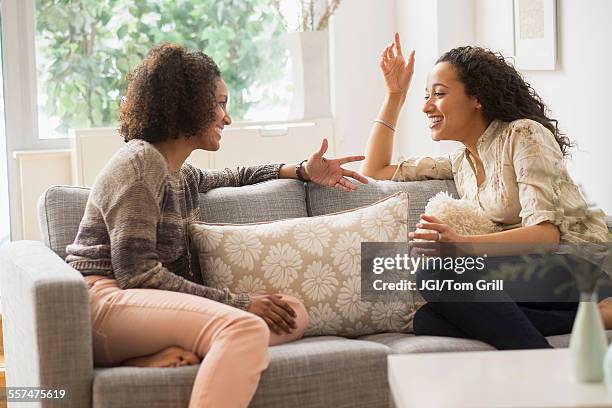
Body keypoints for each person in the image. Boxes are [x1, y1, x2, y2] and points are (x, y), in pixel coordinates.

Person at [66, 43, 368, 408]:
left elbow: (236, 175)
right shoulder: (141, 163)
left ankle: (153, 354)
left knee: (292, 313)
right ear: (188, 104)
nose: (227, 118)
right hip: (105, 303)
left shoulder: (178, 172)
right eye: (220, 103)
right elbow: (137, 274)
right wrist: (240, 304)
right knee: (245, 327)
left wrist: (302, 170)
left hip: (137, 308)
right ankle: (150, 350)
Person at [361, 33, 612, 349]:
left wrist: (462, 245)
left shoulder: (523, 134)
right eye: (426, 95)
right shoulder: (461, 161)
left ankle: (542, 361)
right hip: (529, 276)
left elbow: (546, 236)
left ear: (477, 97)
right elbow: (373, 172)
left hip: (577, 266)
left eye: (438, 93)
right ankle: (591, 319)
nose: (426, 106)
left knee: (435, 273)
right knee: (428, 320)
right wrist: (394, 94)